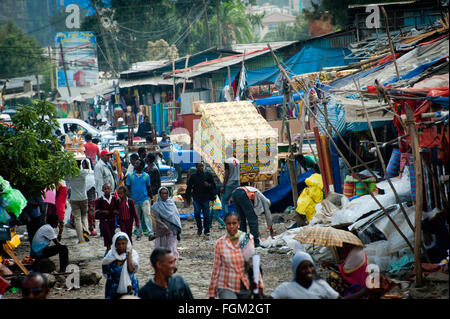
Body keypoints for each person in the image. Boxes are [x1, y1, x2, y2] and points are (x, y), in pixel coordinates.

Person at [207, 212, 263, 299]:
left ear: (239, 224)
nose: (231, 226)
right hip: (226, 285)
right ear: (225, 225)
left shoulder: (246, 239)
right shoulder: (220, 243)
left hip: (245, 284)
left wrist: (259, 286)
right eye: (229, 224)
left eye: (234, 223)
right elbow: (216, 268)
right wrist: (212, 293)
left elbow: (254, 265)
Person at [271, 251, 340, 299]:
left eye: (311, 266)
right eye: (303, 268)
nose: (309, 270)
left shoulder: (322, 285)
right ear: (296, 270)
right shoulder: (285, 288)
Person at [102, 232, 139, 299]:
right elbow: (105, 273)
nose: (121, 246)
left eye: (123, 243)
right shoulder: (110, 256)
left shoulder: (133, 254)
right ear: (115, 245)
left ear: (127, 244)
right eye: (118, 244)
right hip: (113, 287)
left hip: (130, 286)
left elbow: (131, 270)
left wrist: (129, 255)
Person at [126, 159, 154, 241]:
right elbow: (127, 187)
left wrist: (151, 198)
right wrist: (130, 197)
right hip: (134, 200)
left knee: (147, 214)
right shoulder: (130, 175)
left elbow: (149, 188)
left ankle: (150, 232)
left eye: (137, 163)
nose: (135, 164)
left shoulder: (146, 176)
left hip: (144, 198)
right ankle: (138, 233)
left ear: (142, 166)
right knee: (137, 217)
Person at [186, 162, 216, 237]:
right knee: (197, 213)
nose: (201, 167)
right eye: (200, 166)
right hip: (196, 198)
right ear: (196, 167)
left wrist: (208, 185)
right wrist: (188, 198)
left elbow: (213, 185)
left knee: (206, 215)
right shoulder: (193, 176)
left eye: (202, 166)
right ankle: (199, 228)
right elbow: (189, 187)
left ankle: (207, 230)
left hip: (206, 198)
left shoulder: (208, 175)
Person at [152, 187, 182, 259]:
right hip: (162, 230)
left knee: (171, 246)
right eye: (162, 193)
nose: (164, 195)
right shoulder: (156, 206)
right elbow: (157, 218)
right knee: (162, 247)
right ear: (159, 194)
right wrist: (164, 225)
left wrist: (177, 227)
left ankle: (172, 259)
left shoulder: (171, 204)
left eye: (166, 193)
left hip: (172, 229)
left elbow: (176, 216)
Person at [67, 157, 90, 244]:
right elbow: (89, 169)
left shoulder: (70, 174)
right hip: (84, 198)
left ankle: (80, 239)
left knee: (77, 218)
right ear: (80, 164)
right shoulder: (83, 172)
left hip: (74, 198)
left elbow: (65, 177)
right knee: (84, 216)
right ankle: (85, 231)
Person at [95, 183, 119, 251]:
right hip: (104, 220)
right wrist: (103, 212)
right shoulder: (100, 200)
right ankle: (108, 249)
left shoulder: (114, 199)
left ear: (111, 189)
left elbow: (117, 208)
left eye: (108, 188)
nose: (106, 190)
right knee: (107, 234)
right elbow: (96, 211)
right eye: (105, 189)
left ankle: (114, 248)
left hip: (112, 220)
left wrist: (116, 211)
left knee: (112, 233)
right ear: (102, 190)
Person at [220, 146, 240, 214]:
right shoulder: (237, 161)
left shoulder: (227, 161)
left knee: (224, 201)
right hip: (237, 183)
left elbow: (227, 174)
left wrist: (223, 186)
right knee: (237, 201)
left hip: (230, 183)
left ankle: (225, 218)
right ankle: (238, 217)